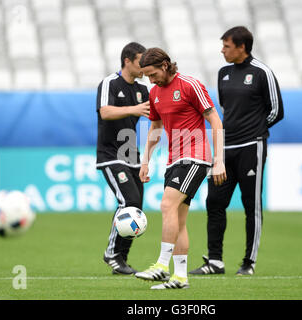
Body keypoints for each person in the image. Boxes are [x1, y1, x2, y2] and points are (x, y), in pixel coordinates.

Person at [189, 26, 284, 276]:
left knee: (250, 205)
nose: (222, 50)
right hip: (224, 149)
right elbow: (226, 108)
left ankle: (248, 263)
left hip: (252, 147)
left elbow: (276, 110)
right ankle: (215, 261)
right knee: (214, 202)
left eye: (227, 46)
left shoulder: (262, 72)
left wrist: (255, 130)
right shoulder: (224, 74)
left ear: (242, 47)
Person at [134, 48, 226, 289]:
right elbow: (155, 127)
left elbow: (215, 120)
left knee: (167, 205)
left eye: (152, 74)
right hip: (174, 159)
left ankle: (162, 266)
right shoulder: (153, 93)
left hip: (196, 156)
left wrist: (219, 159)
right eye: (146, 76)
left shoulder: (189, 85)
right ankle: (181, 278)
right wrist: (146, 160)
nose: (150, 80)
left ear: (165, 65)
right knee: (178, 219)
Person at [96, 42, 150, 275]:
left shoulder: (142, 89)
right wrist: (134, 109)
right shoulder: (109, 83)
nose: (144, 67)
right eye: (141, 62)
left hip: (132, 155)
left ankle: (121, 258)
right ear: (127, 61)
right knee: (128, 200)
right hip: (111, 155)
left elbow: (156, 116)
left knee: (136, 205)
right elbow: (105, 111)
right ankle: (111, 253)